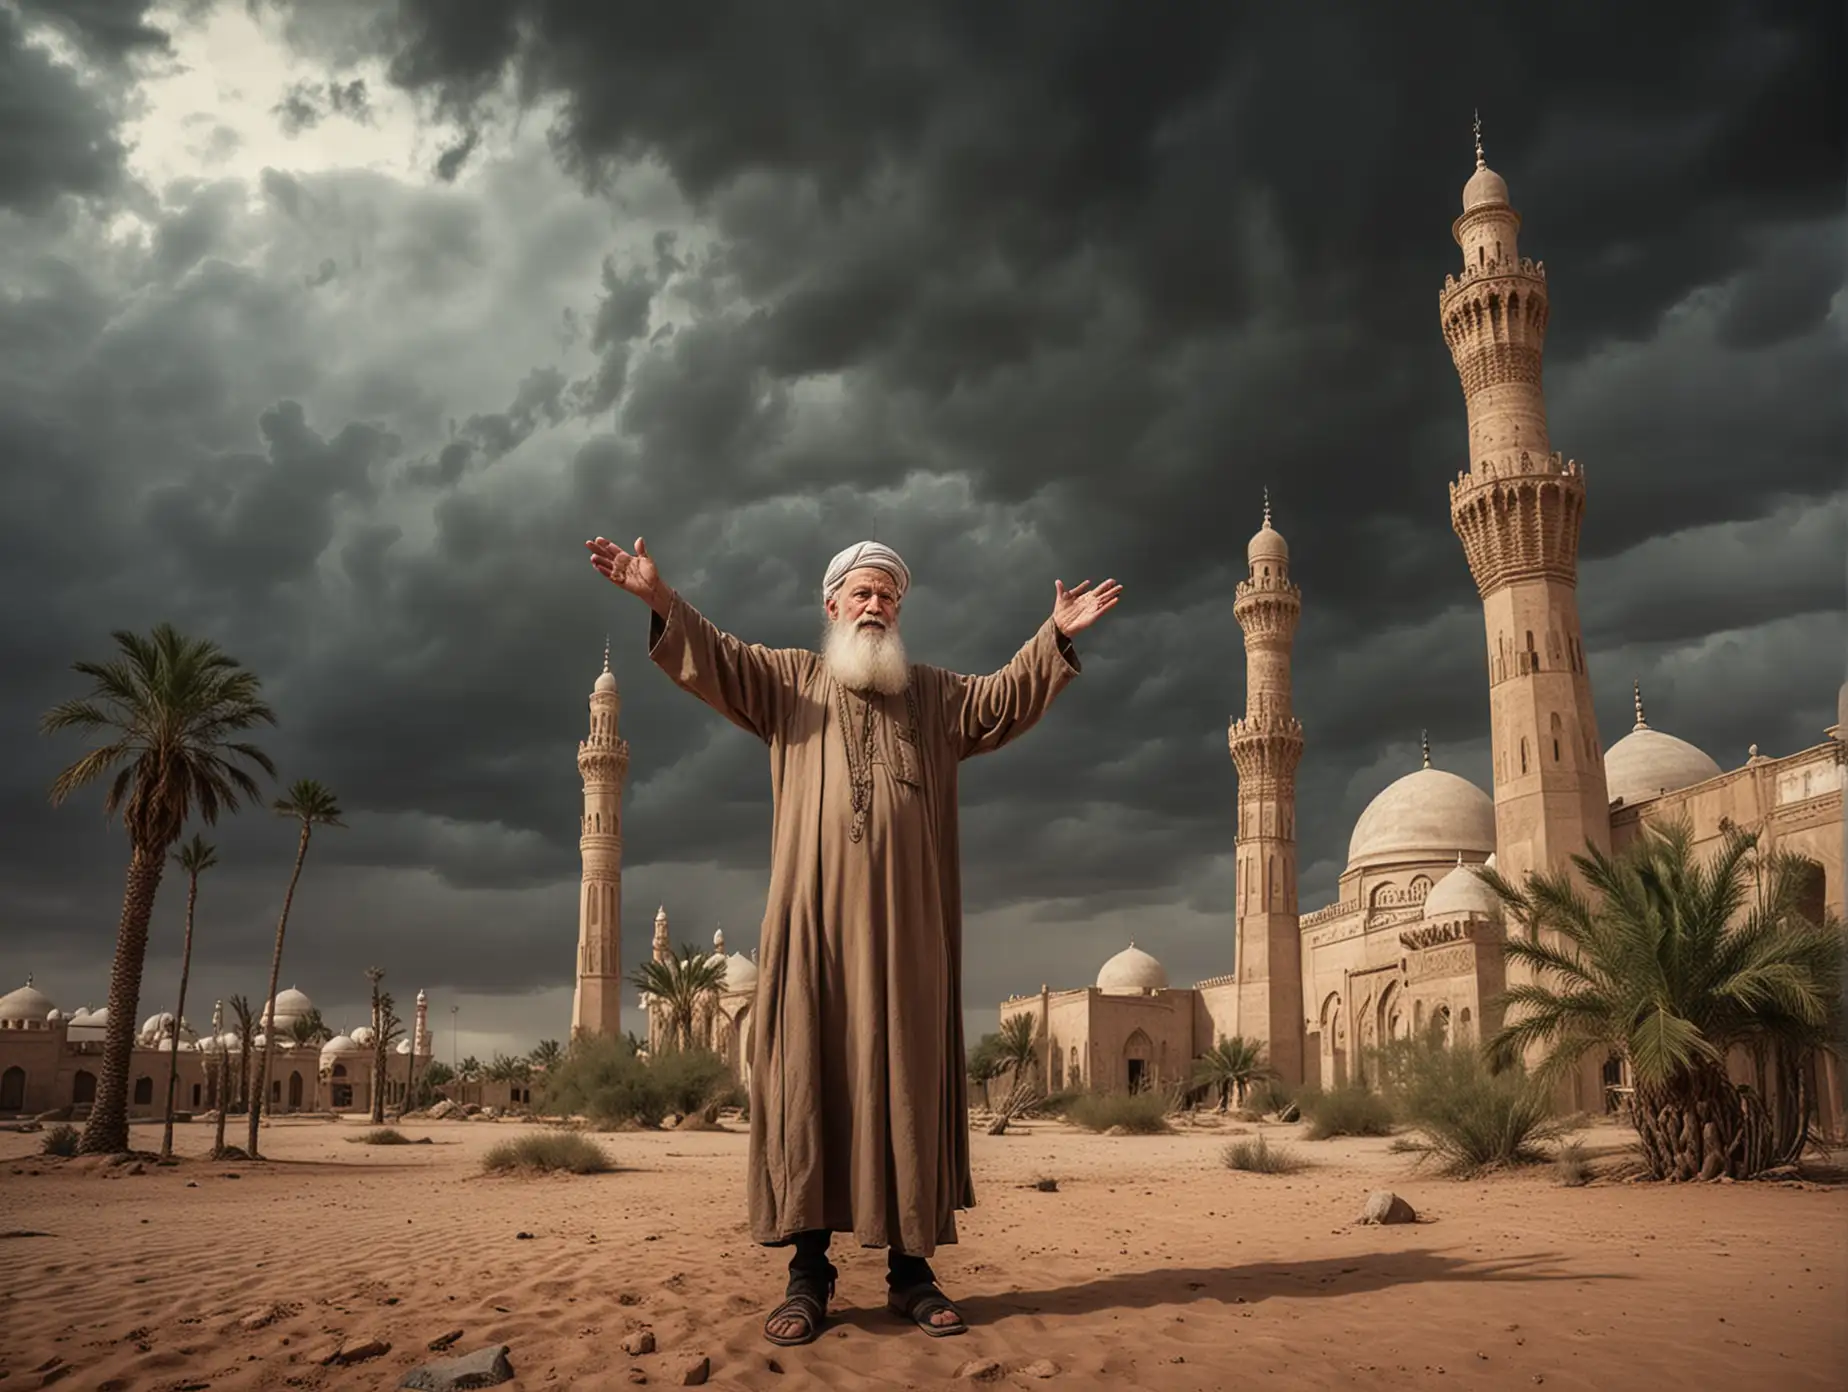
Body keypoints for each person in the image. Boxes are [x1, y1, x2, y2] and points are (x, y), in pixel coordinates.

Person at [585, 534, 1121, 1344]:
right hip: (814, 939)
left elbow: (1004, 699)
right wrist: (662, 602)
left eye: (889, 598)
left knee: (904, 1086)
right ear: (831, 605)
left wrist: (1055, 639)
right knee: (810, 1082)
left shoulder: (934, 698)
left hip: (910, 942)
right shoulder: (790, 683)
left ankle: (912, 1273)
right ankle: (809, 1276)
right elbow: (719, 658)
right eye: (862, 595)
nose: (876, 608)